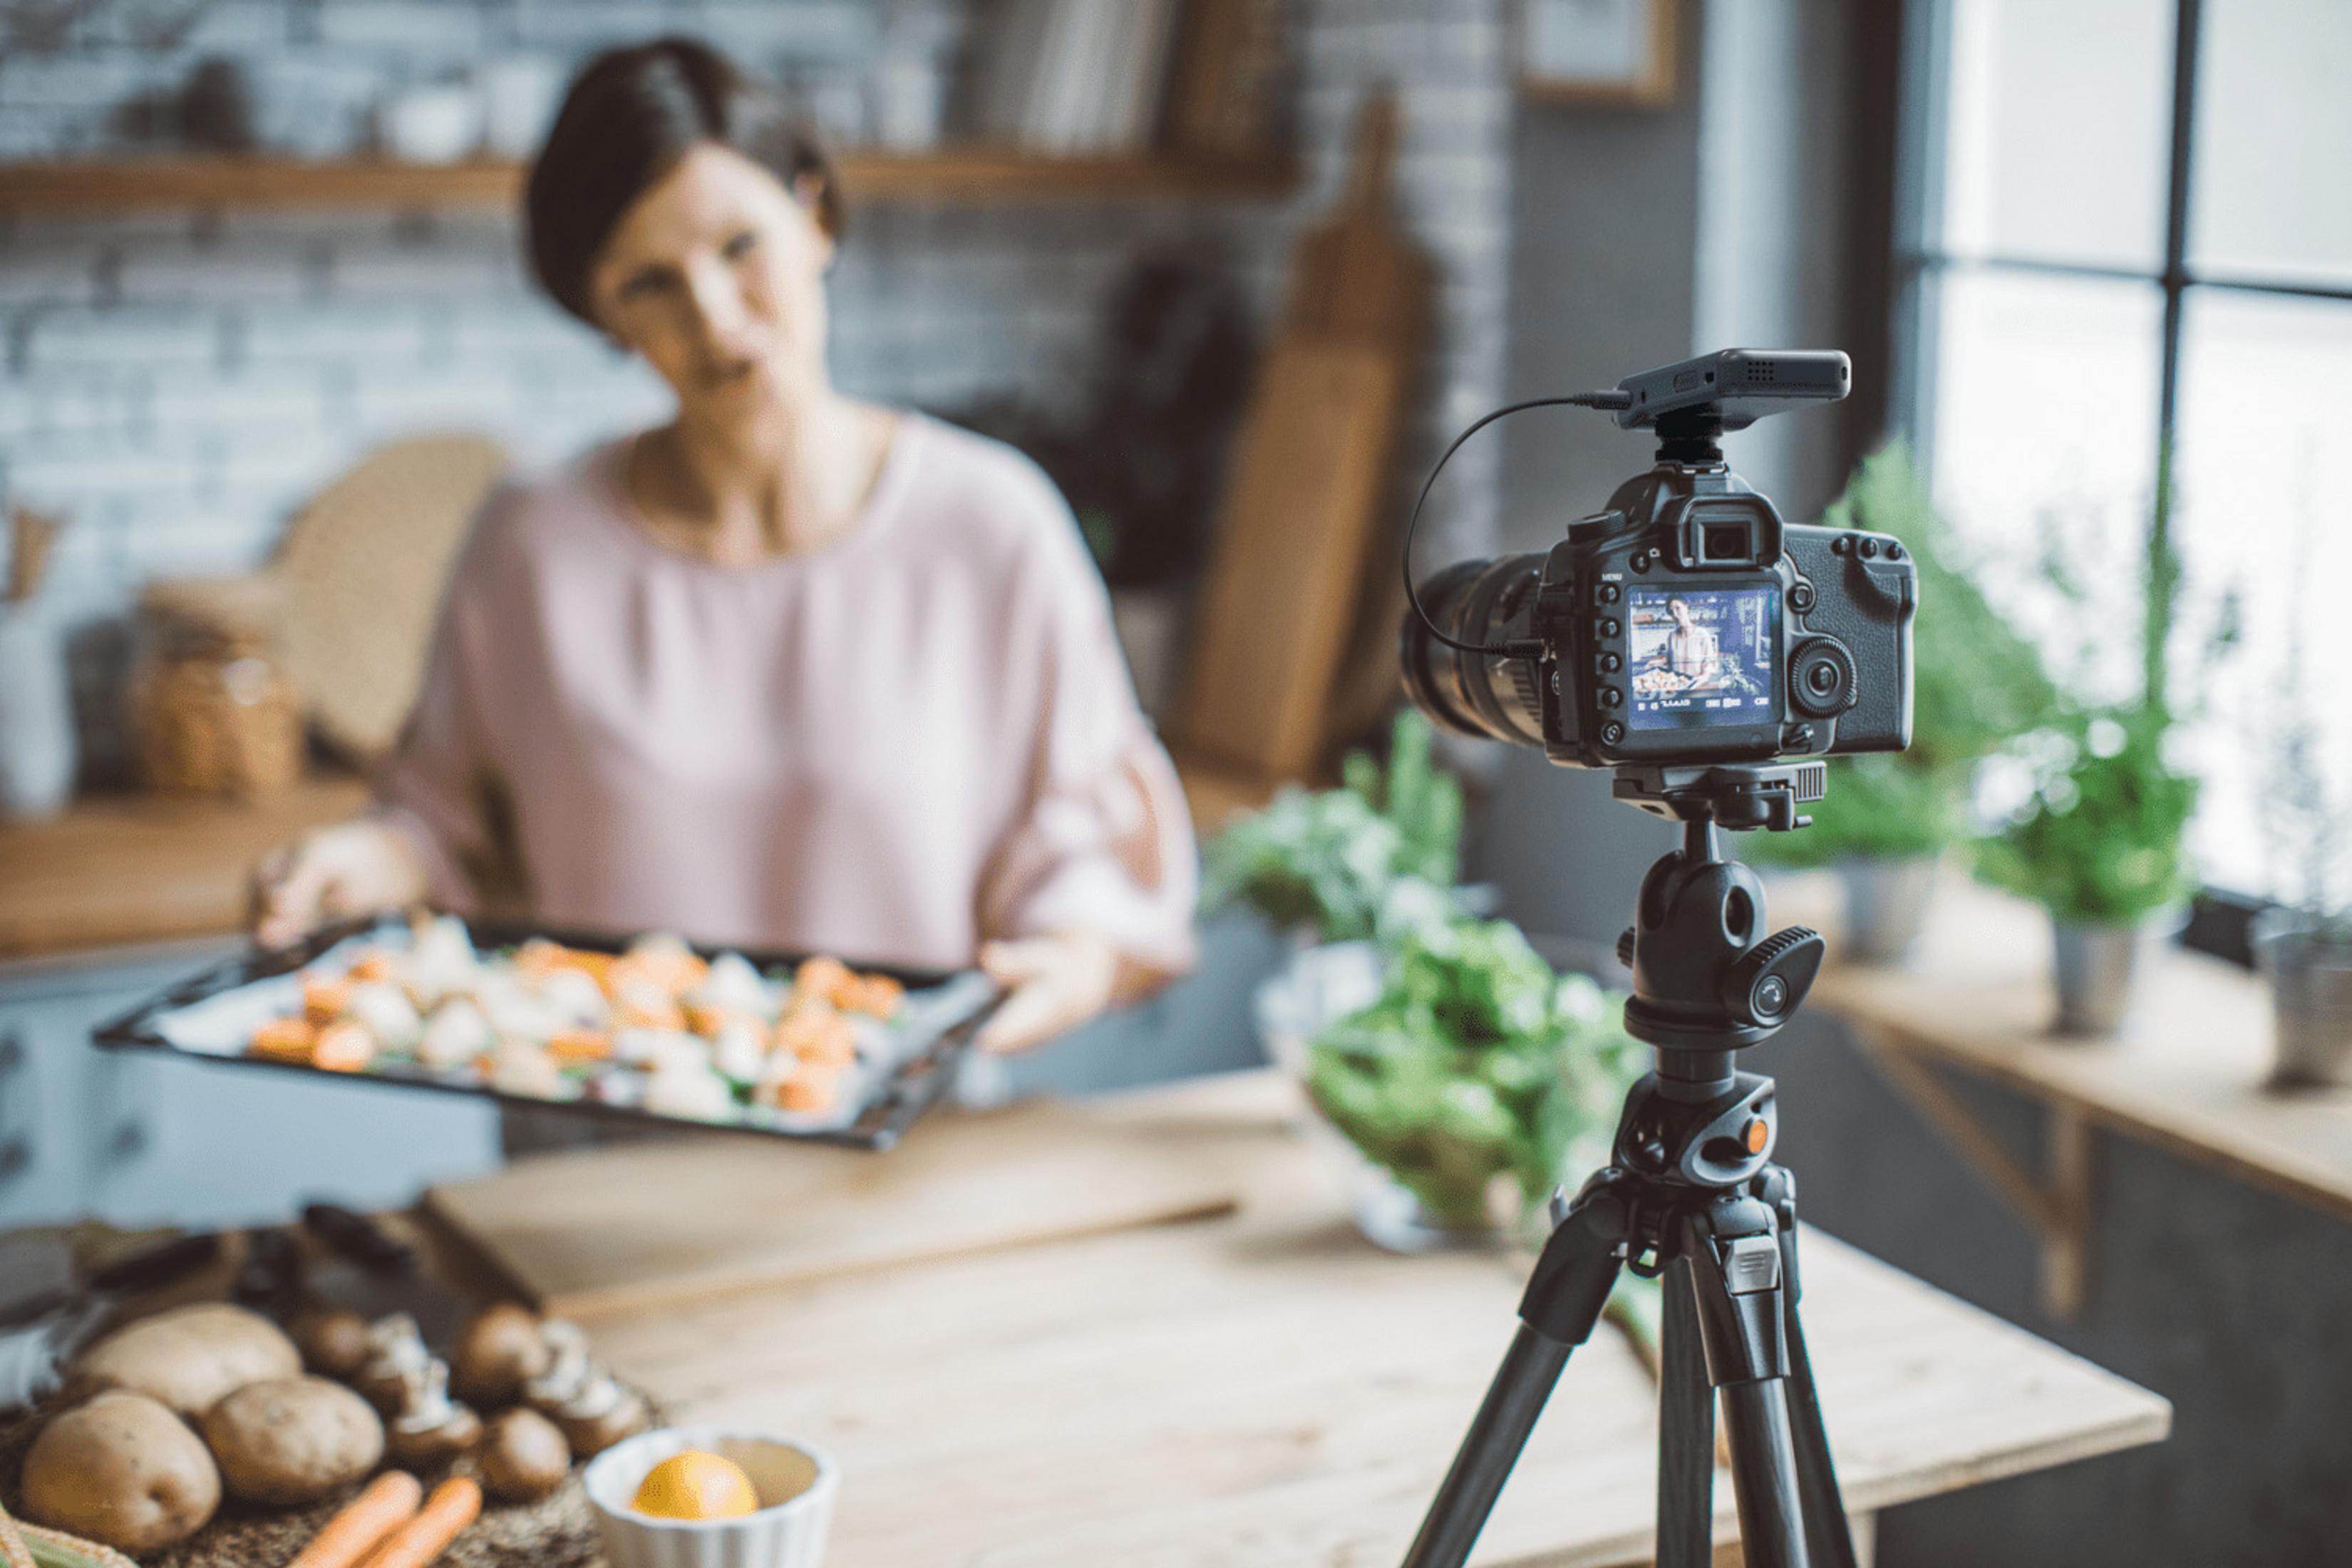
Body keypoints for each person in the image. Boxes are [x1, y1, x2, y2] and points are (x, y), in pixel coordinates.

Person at [249, 38, 1196, 1054]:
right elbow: (444, 826)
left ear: (816, 215)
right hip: (600, 1136)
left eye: (741, 245)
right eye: (648, 284)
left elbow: (1089, 853)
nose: (712, 317)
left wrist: (1078, 957)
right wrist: (362, 862)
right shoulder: (530, 546)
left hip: (892, 1134)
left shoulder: (994, 527)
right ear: (603, 317)